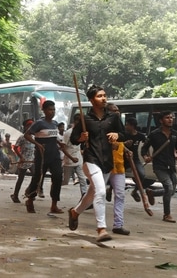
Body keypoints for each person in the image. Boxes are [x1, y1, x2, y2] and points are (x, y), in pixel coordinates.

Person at [67, 85, 125, 242]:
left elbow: (124, 134)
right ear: (92, 100)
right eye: (100, 96)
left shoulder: (113, 118)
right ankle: (101, 229)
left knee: (92, 192)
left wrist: (116, 134)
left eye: (105, 95)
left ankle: (75, 212)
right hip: (91, 160)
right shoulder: (85, 120)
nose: (104, 98)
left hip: (107, 160)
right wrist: (81, 138)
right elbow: (73, 139)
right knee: (100, 192)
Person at [23, 100, 64, 214]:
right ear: (44, 110)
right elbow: (27, 135)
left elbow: (54, 137)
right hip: (42, 155)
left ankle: (54, 205)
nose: (52, 112)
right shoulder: (39, 123)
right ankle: (30, 200)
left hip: (54, 154)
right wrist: (37, 144)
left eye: (54, 109)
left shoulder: (55, 123)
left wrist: (60, 144)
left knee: (58, 177)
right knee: (38, 178)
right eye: (50, 109)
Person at [141, 110, 177, 223]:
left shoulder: (175, 134)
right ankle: (167, 214)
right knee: (168, 187)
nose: (170, 119)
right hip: (159, 166)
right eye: (167, 117)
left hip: (171, 165)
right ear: (161, 120)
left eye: (171, 117)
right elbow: (144, 149)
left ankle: (152, 192)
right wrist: (146, 157)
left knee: (172, 190)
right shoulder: (154, 134)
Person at [105, 103, 130, 236]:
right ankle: (76, 211)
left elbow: (121, 141)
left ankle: (118, 225)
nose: (117, 113)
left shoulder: (120, 130)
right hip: (105, 164)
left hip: (119, 166)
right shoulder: (104, 126)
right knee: (97, 193)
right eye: (114, 111)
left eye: (118, 111)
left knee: (120, 194)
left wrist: (126, 149)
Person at [124, 117, 157, 202]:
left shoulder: (140, 136)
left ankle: (135, 191)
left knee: (141, 175)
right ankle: (110, 190)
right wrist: (125, 144)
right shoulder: (124, 135)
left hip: (135, 159)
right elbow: (118, 145)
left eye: (127, 125)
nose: (125, 126)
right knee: (118, 176)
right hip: (123, 159)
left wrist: (148, 156)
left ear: (132, 126)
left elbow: (147, 145)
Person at [61, 113, 87, 197]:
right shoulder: (68, 133)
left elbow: (78, 145)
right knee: (65, 181)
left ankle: (84, 195)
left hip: (79, 159)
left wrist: (80, 152)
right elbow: (63, 148)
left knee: (82, 179)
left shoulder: (81, 132)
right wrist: (71, 158)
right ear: (76, 121)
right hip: (69, 161)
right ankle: (56, 185)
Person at [10, 119, 35, 203]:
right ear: (26, 127)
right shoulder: (22, 137)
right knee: (20, 179)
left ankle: (29, 191)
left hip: (31, 161)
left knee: (36, 177)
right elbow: (15, 147)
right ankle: (15, 195)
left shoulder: (33, 137)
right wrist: (20, 157)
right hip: (23, 161)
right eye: (29, 126)